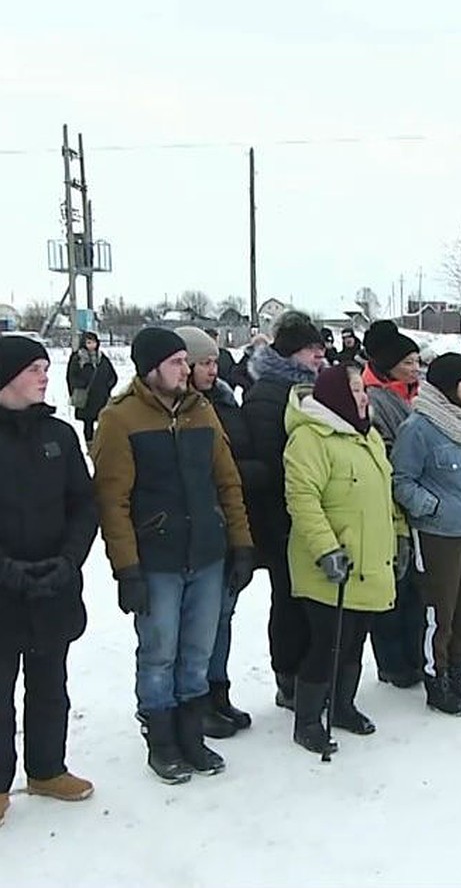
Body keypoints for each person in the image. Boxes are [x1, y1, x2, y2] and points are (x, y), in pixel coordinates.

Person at [92, 327, 254, 784]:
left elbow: (227, 483)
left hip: (207, 554)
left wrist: (240, 542)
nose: (187, 370)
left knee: (198, 652)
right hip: (156, 560)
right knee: (160, 653)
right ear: (151, 369)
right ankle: (162, 742)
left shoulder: (203, 413)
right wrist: (127, 569)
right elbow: (112, 501)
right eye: (177, 362)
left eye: (187, 361)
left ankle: (191, 735)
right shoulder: (119, 419)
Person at [0, 337, 99, 825]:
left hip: (55, 586)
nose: (45, 375)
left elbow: (84, 505)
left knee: (50, 683)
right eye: (34, 368)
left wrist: (69, 561)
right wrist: (8, 571)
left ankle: (46, 769)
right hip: (2, 589)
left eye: (45, 366)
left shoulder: (60, 436)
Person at [284, 364, 396, 753]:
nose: (364, 396)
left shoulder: (368, 438)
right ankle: (309, 720)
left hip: (369, 562)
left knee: (354, 640)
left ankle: (344, 706)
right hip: (330, 565)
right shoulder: (309, 439)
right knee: (328, 641)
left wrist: (398, 538)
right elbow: (303, 501)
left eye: (363, 389)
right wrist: (327, 549)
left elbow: (385, 496)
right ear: (335, 395)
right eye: (355, 390)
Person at [392, 354, 461, 715]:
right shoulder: (419, 428)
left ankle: (457, 671)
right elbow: (401, 481)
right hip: (440, 536)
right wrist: (433, 507)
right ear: (448, 387)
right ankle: (436, 679)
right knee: (442, 610)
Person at [175, 327, 266, 738]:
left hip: (231, 524)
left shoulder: (226, 402)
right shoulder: (177, 411)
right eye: (205, 363)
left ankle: (218, 691)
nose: (214, 369)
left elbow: (240, 454)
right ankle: (192, 702)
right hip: (193, 532)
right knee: (195, 624)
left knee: (223, 617)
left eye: (215, 362)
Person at [242, 311, 327, 711]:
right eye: (312, 350)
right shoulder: (268, 394)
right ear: (292, 352)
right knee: (289, 600)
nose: (320, 357)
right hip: (280, 517)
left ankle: (310, 674)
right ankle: (287, 677)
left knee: (311, 600)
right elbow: (269, 462)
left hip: (312, 514)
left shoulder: (313, 390)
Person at [360, 320, 425, 690]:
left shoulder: (418, 393)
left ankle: (415, 655)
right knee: (393, 585)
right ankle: (392, 661)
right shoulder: (373, 396)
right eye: (408, 363)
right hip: (388, 502)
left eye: (418, 361)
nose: (415, 368)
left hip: (418, 500)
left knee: (416, 586)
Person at [65, 331, 117, 445]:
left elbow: (112, 375)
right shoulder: (77, 358)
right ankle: (90, 444)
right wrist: (78, 387)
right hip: (86, 397)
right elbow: (71, 377)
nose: (91, 345)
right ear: (84, 343)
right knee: (88, 423)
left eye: (93, 342)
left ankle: (102, 443)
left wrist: (108, 386)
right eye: (88, 342)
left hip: (101, 396)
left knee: (104, 420)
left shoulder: (102, 358)